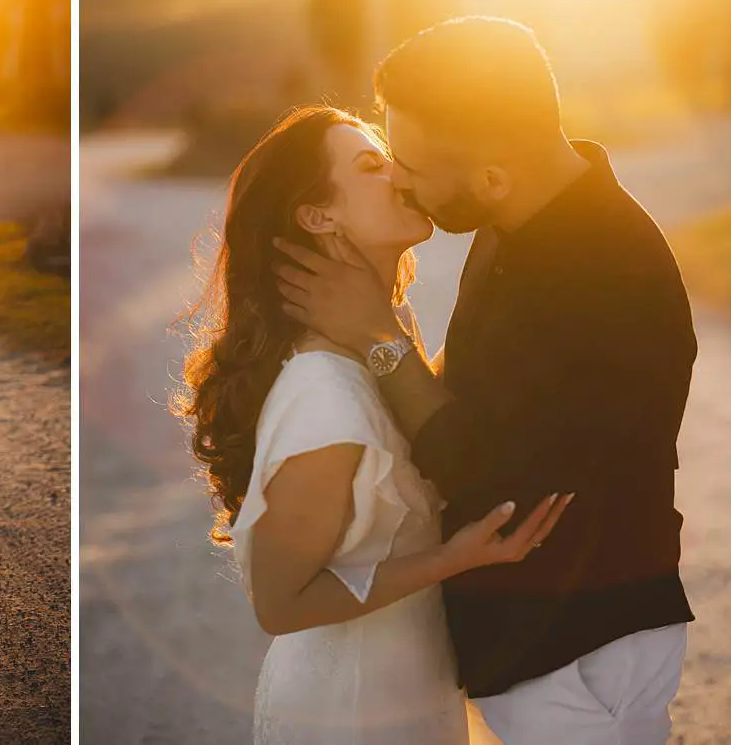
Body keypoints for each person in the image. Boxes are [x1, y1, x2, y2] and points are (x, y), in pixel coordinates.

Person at [274, 18, 695, 743]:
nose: (397, 176)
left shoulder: (599, 272)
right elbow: (476, 397)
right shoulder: (523, 221)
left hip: (577, 640)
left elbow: (484, 470)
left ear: (493, 176)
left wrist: (377, 336)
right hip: (545, 632)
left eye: (409, 162)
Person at [176, 102, 571, 744]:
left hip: (412, 682)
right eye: (371, 164)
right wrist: (452, 559)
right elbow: (280, 604)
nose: (400, 174)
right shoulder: (323, 396)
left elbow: (463, 411)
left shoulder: (382, 345)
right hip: (350, 707)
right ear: (318, 215)